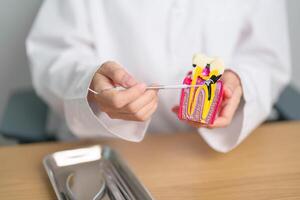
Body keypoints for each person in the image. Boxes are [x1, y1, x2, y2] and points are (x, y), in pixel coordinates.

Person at [26, 0, 291, 152]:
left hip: (212, 152)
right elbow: (53, 53)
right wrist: (90, 83)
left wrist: (240, 82)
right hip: (106, 148)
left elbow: (267, 58)